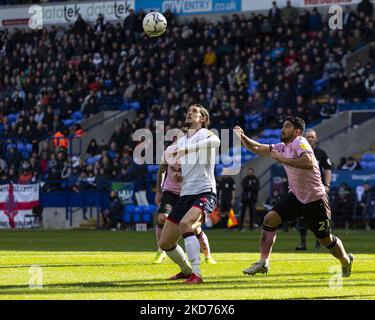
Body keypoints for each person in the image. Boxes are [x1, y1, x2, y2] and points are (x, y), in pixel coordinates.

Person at [234, 116, 354, 277]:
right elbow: (256, 148)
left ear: (297, 131)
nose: (283, 129)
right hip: (296, 196)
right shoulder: (282, 146)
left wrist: (283, 159)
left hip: (315, 200)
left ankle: (345, 260)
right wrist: (242, 137)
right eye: (283, 126)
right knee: (269, 219)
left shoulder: (300, 142)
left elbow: (309, 162)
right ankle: (263, 262)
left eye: (288, 126)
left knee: (325, 240)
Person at [158, 104, 220, 284]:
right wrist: (180, 175)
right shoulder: (183, 140)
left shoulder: (205, 134)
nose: (190, 113)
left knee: (186, 225)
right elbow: (190, 165)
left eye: (195, 112)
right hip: (185, 194)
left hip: (205, 192)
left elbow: (216, 141)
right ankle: (186, 270)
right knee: (165, 243)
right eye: (188, 111)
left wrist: (187, 150)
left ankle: (197, 275)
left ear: (202, 119)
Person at [153, 135, 216, 265]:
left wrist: (182, 177)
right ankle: (161, 251)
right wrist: (159, 191)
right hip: (170, 192)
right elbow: (161, 171)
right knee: (162, 217)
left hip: (187, 192)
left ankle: (207, 255)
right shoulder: (168, 152)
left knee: (194, 228)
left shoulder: (192, 155)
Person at [295, 129, 332, 251]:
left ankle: (319, 242)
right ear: (304, 139)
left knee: (320, 217)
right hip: (302, 189)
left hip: (317, 190)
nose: (310, 139)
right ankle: (303, 243)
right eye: (308, 137)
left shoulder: (321, 153)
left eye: (312, 137)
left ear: (316, 139)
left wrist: (327, 185)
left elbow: (327, 169)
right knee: (301, 217)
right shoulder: (298, 152)